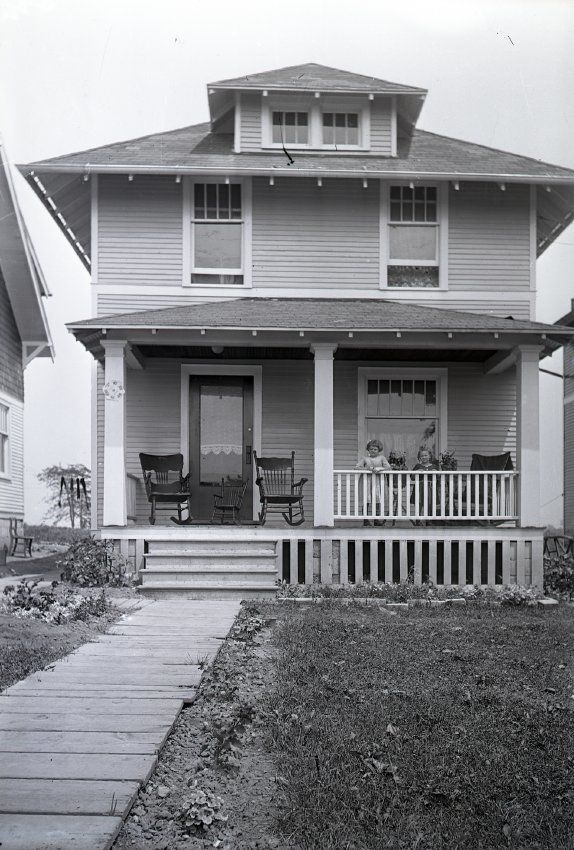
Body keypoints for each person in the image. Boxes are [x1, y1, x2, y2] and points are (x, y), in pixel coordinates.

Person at [355, 439, 391, 526]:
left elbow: (388, 468)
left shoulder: (382, 458)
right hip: (366, 482)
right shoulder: (365, 458)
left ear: (379, 450)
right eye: (371, 449)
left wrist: (379, 469)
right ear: (368, 449)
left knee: (377, 500)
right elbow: (356, 467)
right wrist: (367, 469)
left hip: (378, 482)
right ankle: (365, 519)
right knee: (366, 500)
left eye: (375, 449)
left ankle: (376, 519)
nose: (373, 451)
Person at [411, 448, 439, 524]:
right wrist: (416, 472)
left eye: (426, 455)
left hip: (430, 487)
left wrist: (436, 473)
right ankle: (418, 520)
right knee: (418, 503)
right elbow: (412, 477)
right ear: (419, 457)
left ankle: (428, 519)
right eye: (422, 456)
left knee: (429, 503)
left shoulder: (434, 466)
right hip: (419, 487)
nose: (424, 457)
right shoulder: (418, 466)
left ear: (430, 456)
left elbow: (438, 478)